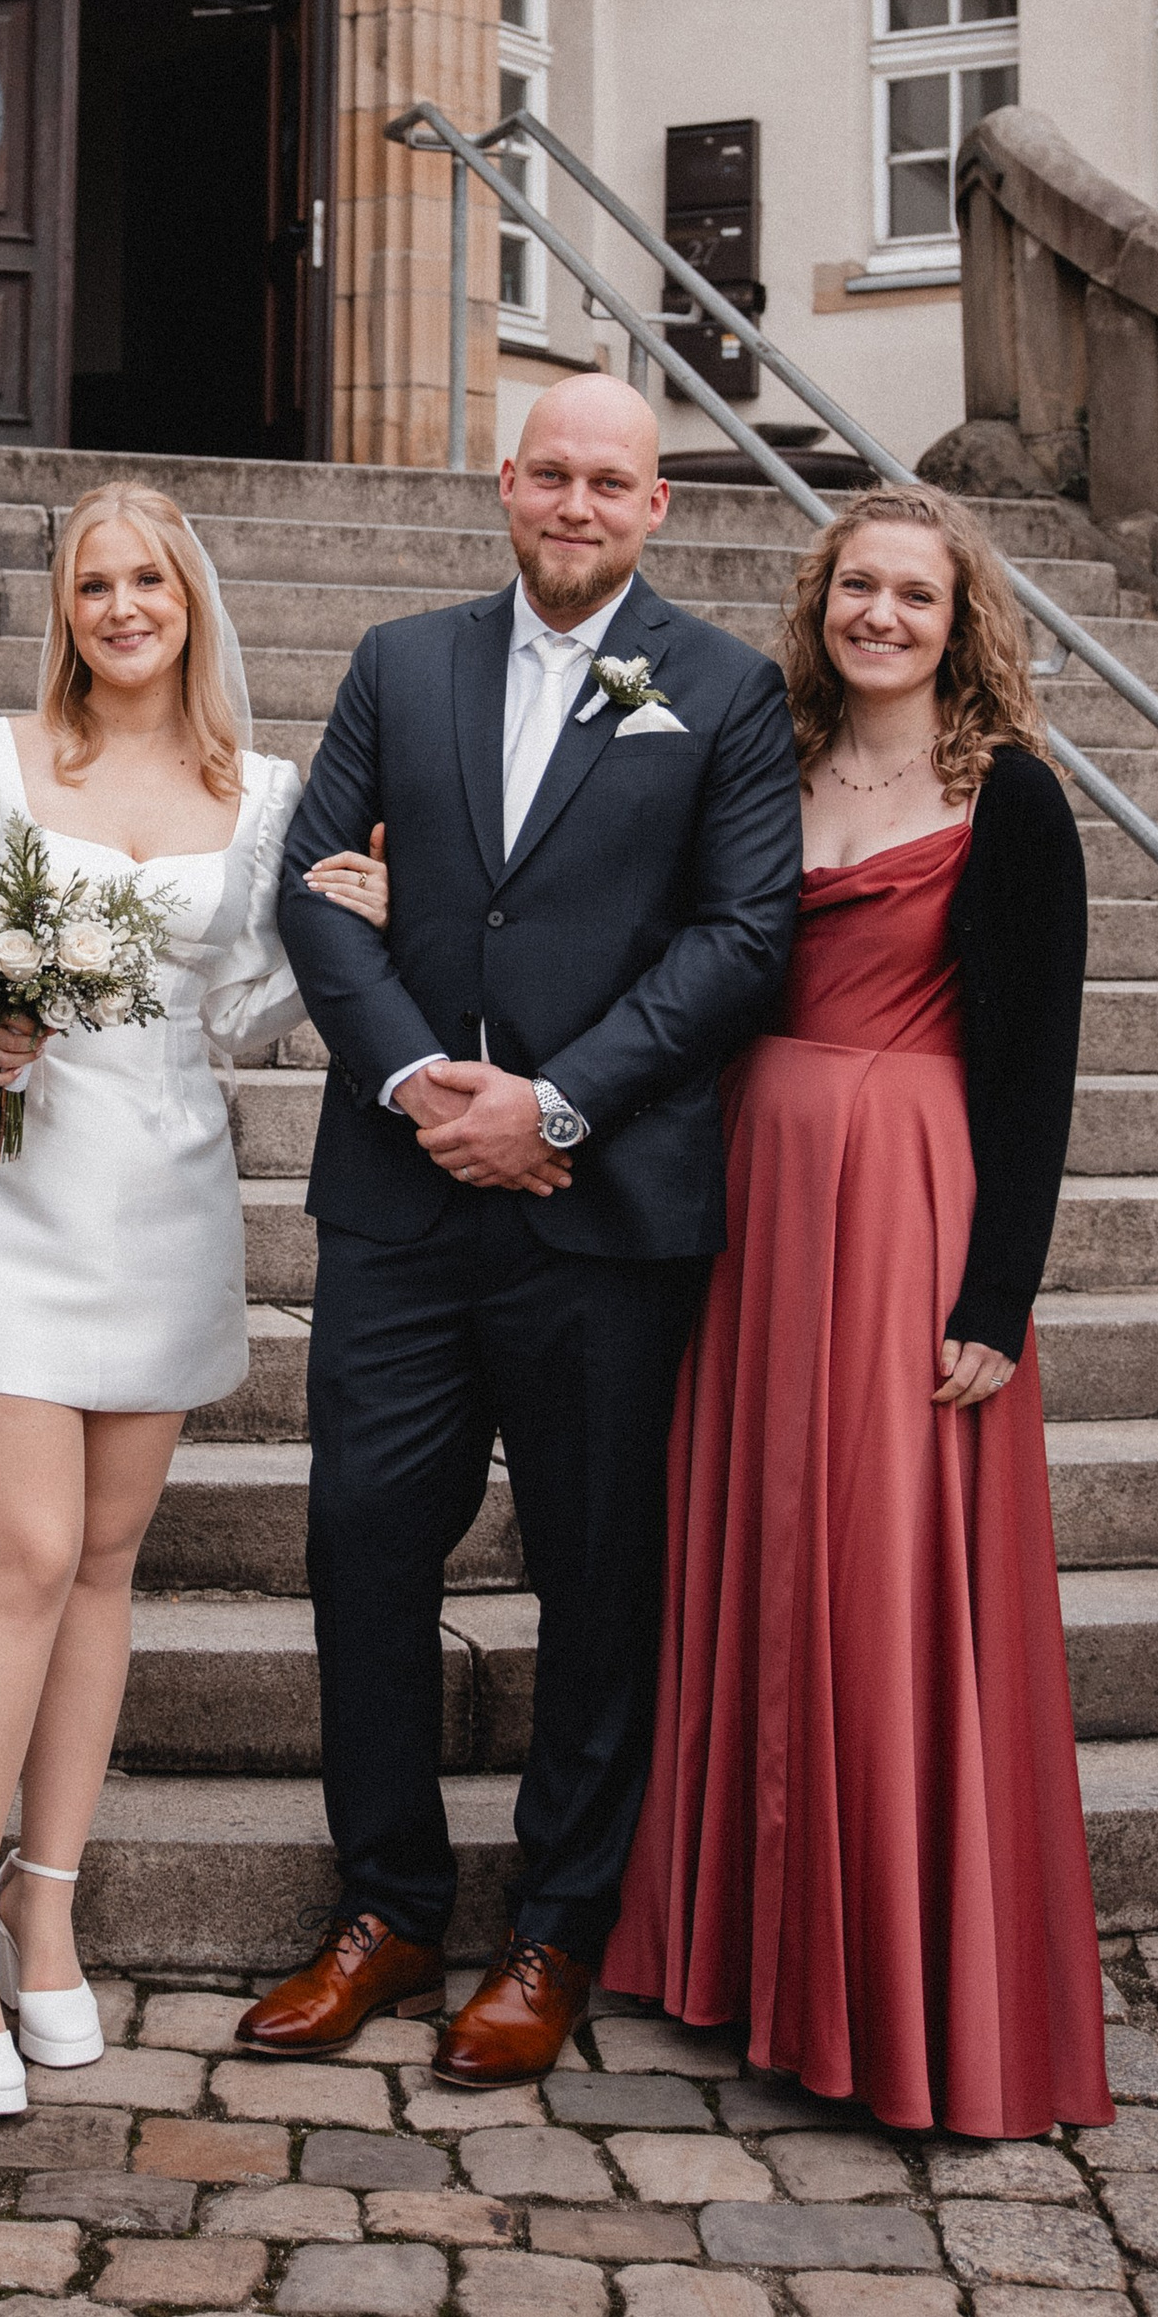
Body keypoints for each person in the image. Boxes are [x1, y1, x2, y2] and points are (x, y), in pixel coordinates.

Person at [244, 375, 802, 2083]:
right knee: (364, 1551)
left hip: (604, 1211)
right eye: (549, 473)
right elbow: (314, 887)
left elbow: (742, 935)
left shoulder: (723, 689)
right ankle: (391, 1908)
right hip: (402, 1207)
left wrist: (553, 1107)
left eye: (608, 482)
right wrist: (425, 1085)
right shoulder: (400, 660)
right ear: (504, 486)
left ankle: (558, 1930)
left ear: (657, 507)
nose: (575, 503)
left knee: (597, 1574)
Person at [0, 482, 390, 2113]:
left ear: (190, 596)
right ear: (65, 606)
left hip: (160, 1187)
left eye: (146, 576)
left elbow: (238, 1013)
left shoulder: (269, 795)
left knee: (100, 1566)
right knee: (18, 1555)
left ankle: (47, 1915)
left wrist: (341, 926)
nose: (120, 604)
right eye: (92, 580)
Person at [604, 485, 1110, 2134]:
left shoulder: (1013, 798)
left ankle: (897, 1992)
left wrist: (999, 1296)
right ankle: (745, 1958)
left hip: (907, 1197)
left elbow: (1037, 1070)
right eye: (858, 586)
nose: (882, 614)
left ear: (962, 621)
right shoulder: (767, 760)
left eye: (915, 593)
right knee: (758, 1549)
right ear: (821, 601)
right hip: (755, 1195)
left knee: (881, 1569)